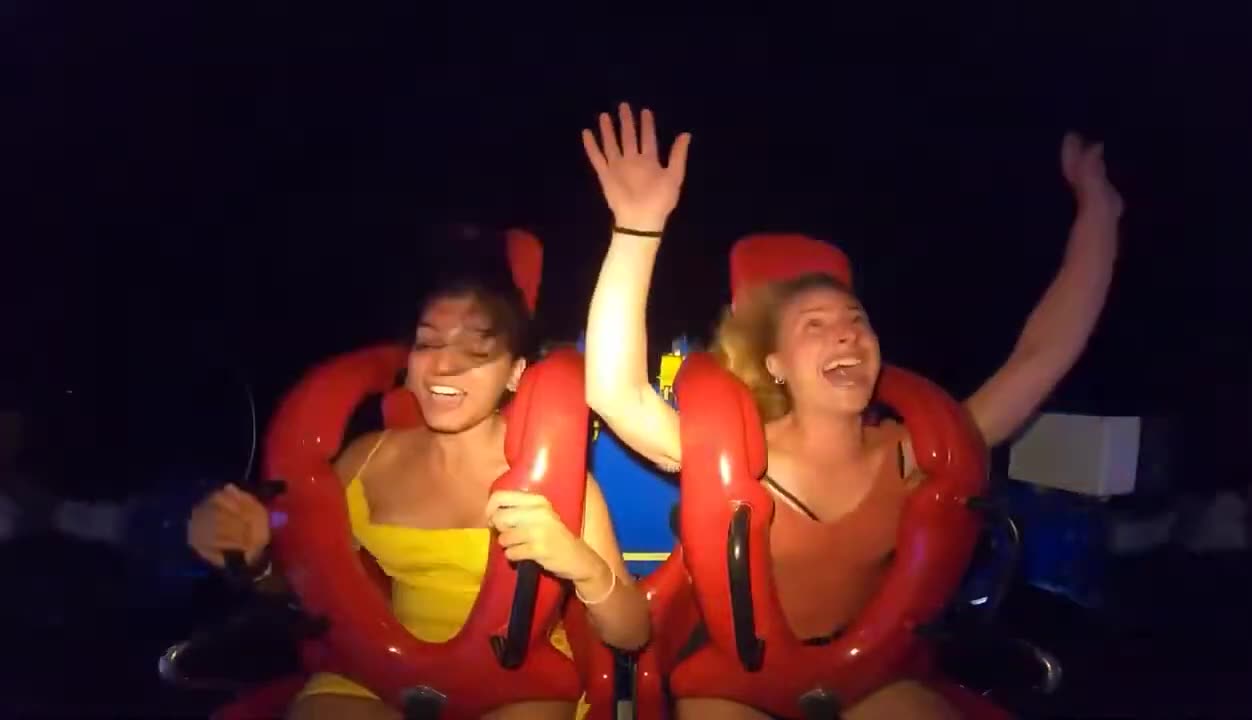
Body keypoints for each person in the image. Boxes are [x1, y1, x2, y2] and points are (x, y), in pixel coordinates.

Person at [581, 104, 1123, 719]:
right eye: (815, 326)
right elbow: (614, 391)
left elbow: (1039, 358)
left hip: (866, 674)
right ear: (776, 363)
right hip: (731, 680)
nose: (846, 336)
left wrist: (1098, 216)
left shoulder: (913, 453)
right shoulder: (726, 453)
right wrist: (636, 227)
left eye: (856, 322)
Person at [187, 235, 649, 720]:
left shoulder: (555, 479)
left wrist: (580, 564)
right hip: (381, 673)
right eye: (428, 342)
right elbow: (305, 588)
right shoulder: (364, 464)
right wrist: (258, 556)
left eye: (476, 351)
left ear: (515, 374)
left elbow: (633, 633)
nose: (444, 365)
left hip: (519, 683)